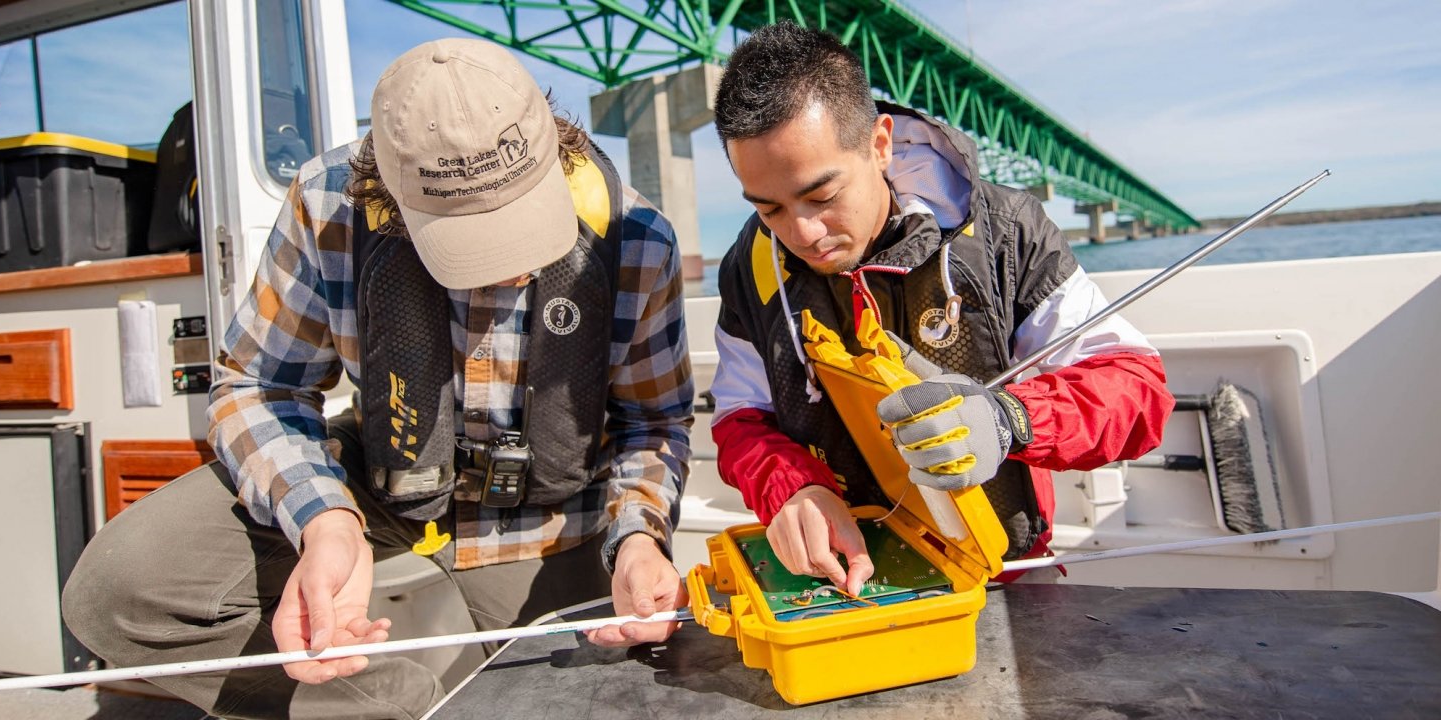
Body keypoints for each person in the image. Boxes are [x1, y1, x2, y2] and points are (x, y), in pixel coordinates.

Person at [62, 38, 694, 720]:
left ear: (556, 151)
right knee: (117, 593)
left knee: (599, 704)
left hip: (550, 512)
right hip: (387, 467)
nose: (509, 269)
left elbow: (652, 422)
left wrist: (637, 536)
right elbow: (258, 384)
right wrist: (324, 521)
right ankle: (398, 709)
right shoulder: (325, 204)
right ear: (388, 198)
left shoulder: (637, 237)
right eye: (472, 243)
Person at [708, 22, 1174, 592]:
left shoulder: (1006, 234)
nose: (802, 232)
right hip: (841, 580)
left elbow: (1137, 389)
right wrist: (792, 487)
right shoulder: (748, 267)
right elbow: (739, 418)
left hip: (1001, 579)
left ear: (880, 144)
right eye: (769, 208)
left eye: (822, 196)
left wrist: (1010, 420)